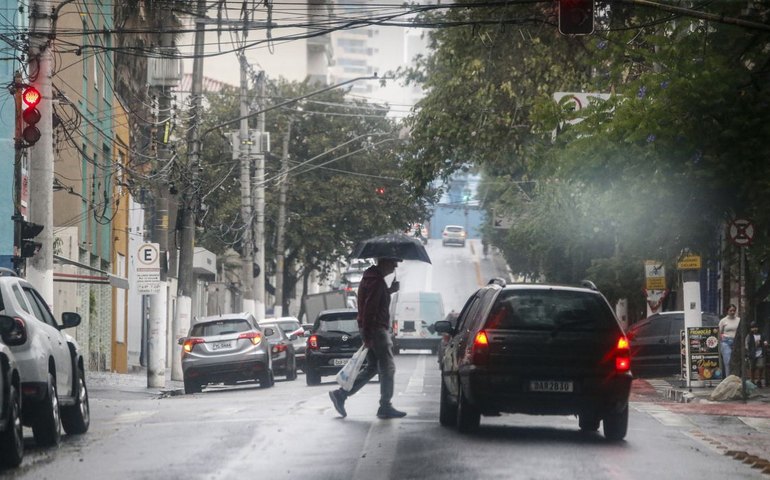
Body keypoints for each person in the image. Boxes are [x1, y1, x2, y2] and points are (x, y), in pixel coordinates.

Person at [329, 257, 407, 419]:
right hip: (377, 330)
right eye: (393, 262)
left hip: (371, 329)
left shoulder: (373, 280)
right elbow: (370, 308)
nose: (395, 265)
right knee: (388, 368)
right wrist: (369, 334)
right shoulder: (376, 282)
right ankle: (385, 405)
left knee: (372, 367)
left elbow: (373, 303)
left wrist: (389, 290)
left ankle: (341, 395)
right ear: (384, 262)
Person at [718, 304, 740, 378]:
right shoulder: (723, 321)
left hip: (736, 342)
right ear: (727, 311)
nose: (732, 312)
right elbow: (719, 333)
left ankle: (736, 378)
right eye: (731, 310)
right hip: (726, 342)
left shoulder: (738, 320)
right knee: (727, 361)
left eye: (734, 310)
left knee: (736, 361)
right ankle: (728, 378)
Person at [746, 322, 767, 387]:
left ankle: (759, 380)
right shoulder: (749, 336)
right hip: (752, 354)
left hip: (760, 354)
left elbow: (765, 342)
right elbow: (747, 345)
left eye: (756, 327)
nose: (754, 329)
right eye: (753, 328)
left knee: (760, 366)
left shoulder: (761, 335)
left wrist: (764, 343)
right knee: (752, 368)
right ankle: (752, 380)